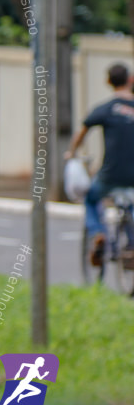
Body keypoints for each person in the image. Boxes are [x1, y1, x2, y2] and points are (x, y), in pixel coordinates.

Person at [66, 62, 134, 266]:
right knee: (131, 204)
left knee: (91, 199)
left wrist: (71, 153)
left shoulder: (105, 109)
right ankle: (131, 247)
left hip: (110, 174)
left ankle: (97, 233)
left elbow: (82, 131)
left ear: (108, 81)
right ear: (130, 80)